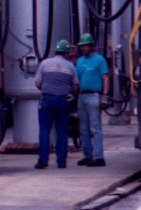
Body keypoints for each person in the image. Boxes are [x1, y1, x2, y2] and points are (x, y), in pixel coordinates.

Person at [34, 40, 79, 169]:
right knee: (62, 130)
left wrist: (48, 89)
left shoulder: (45, 63)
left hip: (47, 99)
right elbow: (75, 86)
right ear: (66, 53)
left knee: (44, 129)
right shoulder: (70, 66)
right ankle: (61, 161)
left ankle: (43, 160)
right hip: (63, 100)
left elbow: (37, 83)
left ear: (55, 51)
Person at [75, 33, 110, 167]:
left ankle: (99, 157)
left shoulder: (99, 60)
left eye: (85, 46)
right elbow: (76, 79)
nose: (83, 48)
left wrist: (105, 95)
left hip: (94, 95)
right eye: (81, 46)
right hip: (82, 95)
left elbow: (106, 77)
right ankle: (87, 155)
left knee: (95, 128)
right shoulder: (80, 61)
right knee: (83, 128)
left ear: (91, 46)